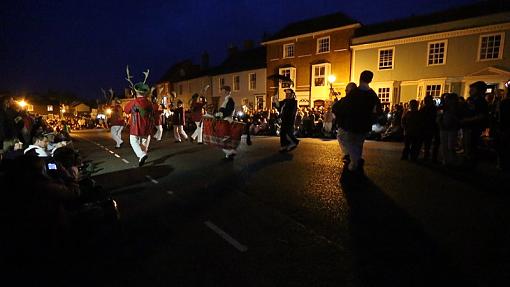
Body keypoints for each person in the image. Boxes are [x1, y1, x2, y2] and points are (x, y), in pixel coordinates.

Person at [336, 70, 382, 177]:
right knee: (359, 143)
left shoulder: (354, 93)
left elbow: (343, 106)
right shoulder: (372, 94)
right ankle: (356, 161)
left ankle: (354, 162)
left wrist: (338, 108)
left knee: (350, 142)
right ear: (370, 80)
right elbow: (377, 110)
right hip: (365, 124)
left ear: (360, 78)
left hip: (353, 123)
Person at [124, 81, 154, 167]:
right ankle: (141, 158)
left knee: (133, 141)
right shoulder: (150, 103)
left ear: (136, 92)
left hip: (136, 126)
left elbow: (126, 110)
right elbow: (153, 115)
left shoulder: (133, 102)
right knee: (144, 144)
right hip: (147, 127)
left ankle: (142, 155)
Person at [461, 81, 489, 166]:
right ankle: (468, 164)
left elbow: (481, 116)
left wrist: (467, 120)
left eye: (472, 89)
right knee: (467, 146)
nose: (470, 91)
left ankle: (469, 166)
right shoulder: (474, 100)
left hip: (473, 128)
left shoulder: (481, 101)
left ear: (478, 90)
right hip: (469, 127)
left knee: (471, 147)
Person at [332, 82, 357, 164]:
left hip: (346, 125)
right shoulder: (360, 99)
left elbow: (335, 108)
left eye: (347, 90)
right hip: (356, 125)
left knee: (342, 137)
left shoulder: (346, 100)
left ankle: (348, 155)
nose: (345, 91)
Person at [438, 93, 461, 166]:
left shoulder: (457, 108)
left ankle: (452, 160)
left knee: (451, 146)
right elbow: (439, 117)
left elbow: (459, 118)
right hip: (444, 128)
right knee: (444, 145)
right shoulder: (443, 107)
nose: (447, 101)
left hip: (452, 128)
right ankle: (446, 160)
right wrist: (440, 123)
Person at [273, 88, 299, 152]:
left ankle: (294, 142)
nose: (286, 95)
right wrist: (276, 100)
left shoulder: (293, 102)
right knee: (282, 133)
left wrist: (285, 115)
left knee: (288, 132)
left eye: (288, 94)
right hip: (284, 119)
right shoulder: (285, 101)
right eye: (286, 94)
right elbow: (278, 105)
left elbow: (292, 112)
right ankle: (284, 146)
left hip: (289, 120)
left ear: (292, 95)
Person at [218, 86, 237, 159]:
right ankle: (229, 154)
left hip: (227, 120)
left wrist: (220, 114)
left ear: (228, 92)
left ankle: (230, 152)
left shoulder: (230, 100)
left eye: (224, 91)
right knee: (225, 139)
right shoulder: (226, 100)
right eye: (223, 91)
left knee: (223, 138)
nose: (223, 93)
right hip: (225, 120)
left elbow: (229, 111)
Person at [420, 95, 440, 162]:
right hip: (428, 127)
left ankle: (431, 157)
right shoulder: (426, 108)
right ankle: (429, 156)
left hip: (432, 127)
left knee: (430, 143)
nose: (426, 102)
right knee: (428, 143)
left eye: (427, 100)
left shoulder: (432, 108)